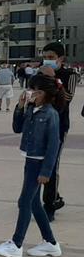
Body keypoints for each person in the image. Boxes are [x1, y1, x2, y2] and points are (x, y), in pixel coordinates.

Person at [0, 74, 65, 257]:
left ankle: (16, 244)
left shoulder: (51, 114)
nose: (32, 94)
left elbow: (54, 144)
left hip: (39, 162)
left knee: (24, 202)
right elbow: (17, 128)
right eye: (31, 90)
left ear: (46, 94)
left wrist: (46, 171)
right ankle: (50, 242)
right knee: (33, 203)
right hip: (29, 158)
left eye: (36, 91)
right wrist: (20, 107)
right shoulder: (32, 109)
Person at [39, 42, 76, 220]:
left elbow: (67, 97)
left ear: (61, 58)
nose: (47, 60)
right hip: (40, 124)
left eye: (52, 57)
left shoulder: (69, 75)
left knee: (52, 164)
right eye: (45, 57)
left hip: (59, 125)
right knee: (38, 163)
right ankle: (54, 197)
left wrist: (54, 79)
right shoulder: (41, 73)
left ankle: (49, 205)